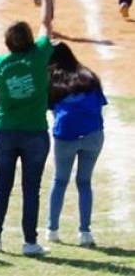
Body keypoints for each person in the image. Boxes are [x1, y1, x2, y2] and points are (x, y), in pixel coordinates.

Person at [0, 0, 56, 256]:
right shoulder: (39, 55)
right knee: (31, 190)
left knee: (3, 186)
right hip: (35, 132)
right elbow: (46, 24)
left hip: (4, 131)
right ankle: (29, 242)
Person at [46, 42, 106, 248]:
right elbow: (100, 105)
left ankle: (52, 230)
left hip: (66, 135)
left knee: (60, 180)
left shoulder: (53, 79)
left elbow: (52, 109)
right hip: (93, 135)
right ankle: (85, 232)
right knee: (85, 182)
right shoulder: (90, 76)